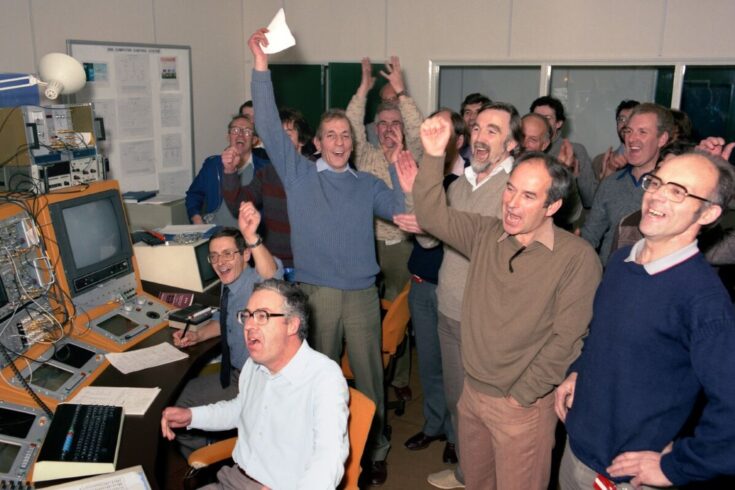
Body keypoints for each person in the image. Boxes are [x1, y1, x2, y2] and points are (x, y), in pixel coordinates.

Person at [404, 114, 601, 490]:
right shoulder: (485, 234)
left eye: (528, 196)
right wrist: (433, 156)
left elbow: (567, 339)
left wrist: (522, 396)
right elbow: (430, 215)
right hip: (472, 394)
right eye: (510, 189)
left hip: (521, 407)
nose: (511, 203)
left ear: (552, 206)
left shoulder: (576, 258)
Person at [248, 28, 406, 485]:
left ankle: (375, 449)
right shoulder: (298, 174)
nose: (339, 142)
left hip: (360, 297)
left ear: (353, 144)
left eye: (346, 136)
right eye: (331, 134)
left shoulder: (367, 185)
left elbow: (401, 209)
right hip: (314, 295)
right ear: (317, 142)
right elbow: (265, 123)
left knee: (370, 383)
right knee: (317, 385)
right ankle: (318, 452)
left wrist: (400, 166)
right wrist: (261, 66)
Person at [556, 151, 735, 489]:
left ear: (709, 213)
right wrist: (578, 369)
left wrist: (676, 466)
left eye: (678, 191)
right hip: (578, 449)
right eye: (656, 182)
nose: (656, 195)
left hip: (628, 476)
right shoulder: (625, 259)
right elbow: (603, 334)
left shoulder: (705, 303)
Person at [162, 279, 349, 490]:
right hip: (234, 478)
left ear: (292, 325)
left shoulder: (324, 377)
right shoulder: (254, 364)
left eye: (262, 316)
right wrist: (191, 416)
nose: (249, 325)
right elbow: (241, 408)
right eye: (247, 315)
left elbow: (329, 458)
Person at [171, 202, 282, 456]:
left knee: (185, 403)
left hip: (258, 381)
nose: (220, 262)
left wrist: (252, 238)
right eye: (214, 256)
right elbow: (223, 321)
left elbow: (273, 276)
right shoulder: (228, 284)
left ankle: (213, 457)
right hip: (235, 375)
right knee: (183, 396)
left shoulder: (257, 282)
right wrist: (196, 335)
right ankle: (209, 453)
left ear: (245, 255)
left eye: (228, 254)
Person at [392, 109, 467, 471]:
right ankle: (434, 425)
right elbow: (420, 238)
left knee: (457, 372)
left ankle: (455, 435)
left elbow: (437, 236)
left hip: (455, 294)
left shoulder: (466, 186)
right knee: (431, 366)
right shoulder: (425, 180)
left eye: (445, 132)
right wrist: (412, 194)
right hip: (423, 287)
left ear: (459, 142)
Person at [581, 103, 673, 264]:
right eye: (628, 131)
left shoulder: (672, 188)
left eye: (642, 132)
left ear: (662, 139)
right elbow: (590, 237)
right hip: (609, 277)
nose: (631, 138)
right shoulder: (611, 183)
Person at [222, 107, 314, 270]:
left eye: (287, 134)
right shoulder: (267, 174)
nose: (281, 141)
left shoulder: (316, 173)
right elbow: (238, 207)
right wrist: (230, 170)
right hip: (274, 263)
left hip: (309, 264)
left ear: (302, 140)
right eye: (277, 136)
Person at [185, 115, 268, 225]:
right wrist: (196, 219)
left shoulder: (264, 168)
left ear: (254, 140)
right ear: (228, 137)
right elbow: (193, 195)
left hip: (247, 236)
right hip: (214, 233)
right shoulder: (212, 165)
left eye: (247, 131)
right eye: (235, 130)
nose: (240, 134)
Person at [530, 95, 596, 209]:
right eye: (537, 117)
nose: (541, 122)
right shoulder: (522, 149)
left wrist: (568, 175)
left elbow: (589, 199)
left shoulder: (574, 150)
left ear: (558, 123)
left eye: (547, 118)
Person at [592, 99, 640, 181]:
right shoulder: (600, 161)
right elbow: (595, 193)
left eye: (631, 119)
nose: (626, 124)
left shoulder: (649, 162)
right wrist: (606, 176)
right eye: (622, 119)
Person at [458, 93, 492, 162]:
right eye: (468, 112)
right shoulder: (456, 152)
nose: (472, 117)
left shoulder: (495, 149)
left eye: (478, 112)